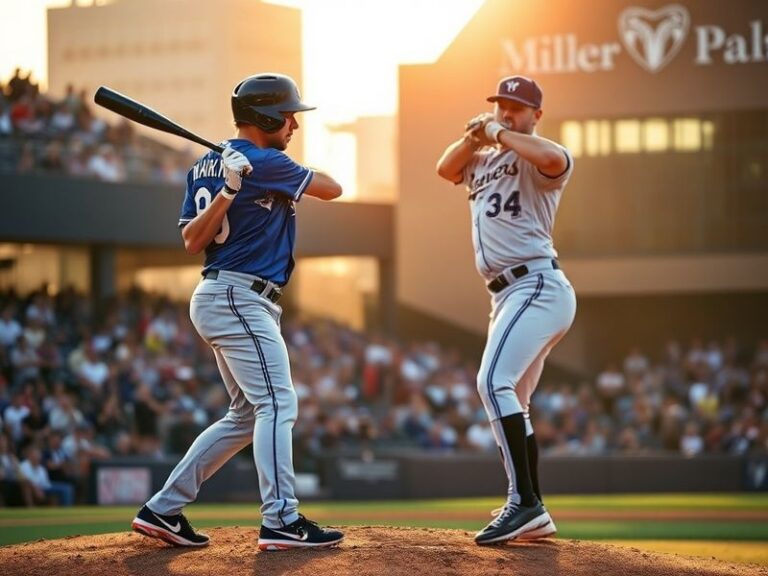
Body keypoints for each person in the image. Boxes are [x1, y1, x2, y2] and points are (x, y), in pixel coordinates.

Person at [131, 73, 344, 550]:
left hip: (223, 297)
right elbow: (333, 188)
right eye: (289, 115)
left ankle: (164, 509)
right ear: (266, 116)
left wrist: (230, 184)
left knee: (247, 414)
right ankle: (281, 519)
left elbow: (190, 241)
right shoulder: (264, 160)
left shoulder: (206, 165)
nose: (294, 124)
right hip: (239, 295)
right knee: (277, 403)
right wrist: (231, 188)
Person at [436, 75, 576, 545]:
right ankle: (530, 505)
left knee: (490, 382)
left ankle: (525, 503)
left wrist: (499, 133)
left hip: (535, 282)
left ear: (536, 114)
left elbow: (556, 159)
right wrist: (475, 135)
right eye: (501, 105)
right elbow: (444, 168)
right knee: (513, 397)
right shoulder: (482, 158)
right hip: (506, 294)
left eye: (517, 107)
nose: (507, 112)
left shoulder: (538, 155)